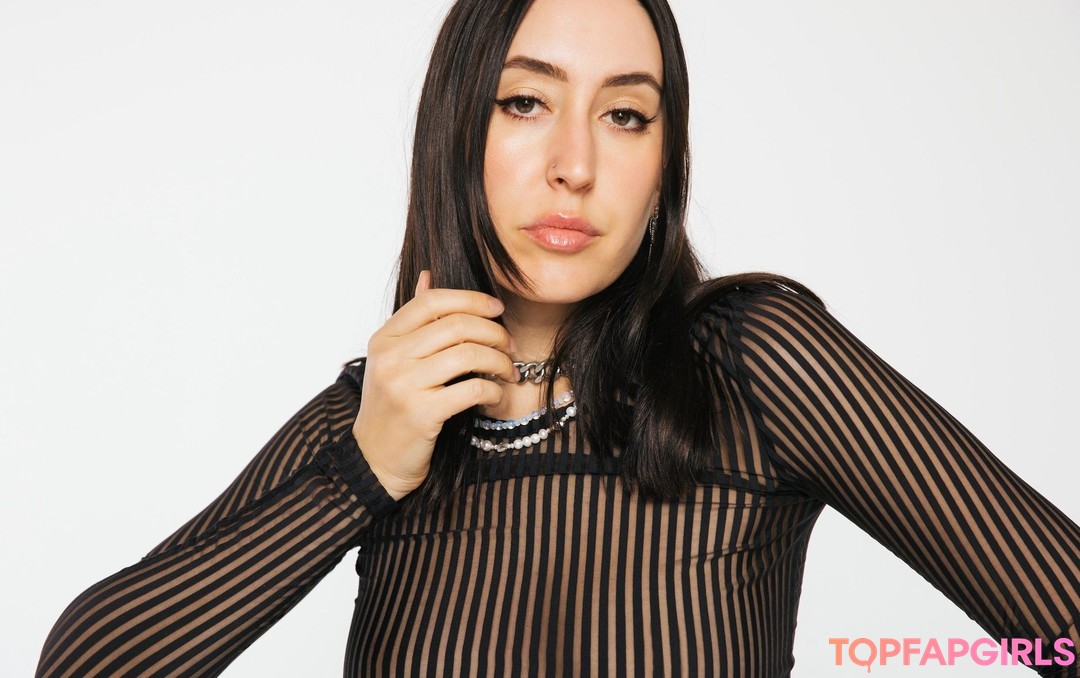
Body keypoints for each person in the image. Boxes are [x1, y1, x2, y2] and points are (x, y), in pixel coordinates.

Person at [34, 0, 1080, 675]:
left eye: (626, 116)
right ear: (459, 130)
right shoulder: (382, 417)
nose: (575, 164)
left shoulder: (752, 367)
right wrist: (362, 475)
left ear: (665, 160)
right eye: (527, 102)